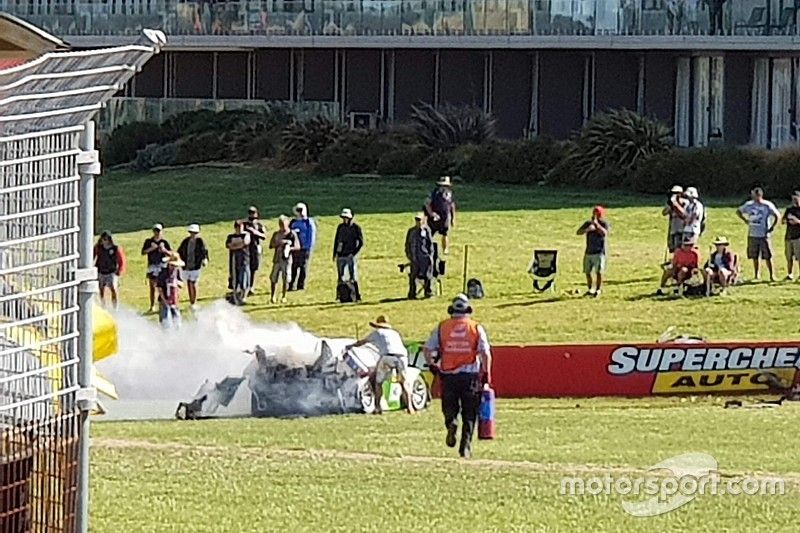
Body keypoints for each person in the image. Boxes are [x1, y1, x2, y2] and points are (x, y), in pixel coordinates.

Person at [423, 294, 492, 459]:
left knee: (449, 407)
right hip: (470, 376)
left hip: (448, 376)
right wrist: (487, 374)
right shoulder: (475, 327)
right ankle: (465, 448)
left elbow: (427, 349)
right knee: (470, 413)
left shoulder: (442, 327)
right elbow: (485, 353)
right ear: (468, 309)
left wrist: (433, 364)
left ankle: (451, 423)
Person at [346, 315, 414, 415]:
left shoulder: (377, 333)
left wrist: (351, 346)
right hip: (402, 357)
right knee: (404, 382)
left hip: (387, 357)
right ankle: (410, 407)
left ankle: (378, 408)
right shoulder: (395, 333)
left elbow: (363, 342)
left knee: (379, 383)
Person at [737, 187, 781, 281]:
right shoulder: (749, 205)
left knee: (768, 256)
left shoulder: (767, 205)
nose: (753, 197)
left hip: (764, 234)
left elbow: (777, 215)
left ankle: (772, 275)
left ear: (759, 195)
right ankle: (757, 275)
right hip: (752, 234)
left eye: (754, 195)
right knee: (754, 256)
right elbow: (739, 211)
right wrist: (745, 220)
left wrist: (772, 227)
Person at [576, 206, 610, 297]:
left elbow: (604, 233)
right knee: (587, 271)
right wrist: (587, 229)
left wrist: (596, 225)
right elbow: (578, 232)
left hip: (599, 252)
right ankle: (590, 289)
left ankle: (598, 290)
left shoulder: (604, 223)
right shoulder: (588, 223)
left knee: (599, 271)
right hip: (589, 251)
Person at [333, 208, 364, 302]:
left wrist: (354, 253)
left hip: (350, 255)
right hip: (341, 255)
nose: (345, 219)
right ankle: (340, 295)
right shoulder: (340, 227)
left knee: (353, 277)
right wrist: (335, 253)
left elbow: (361, 242)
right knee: (340, 277)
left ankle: (356, 295)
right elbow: (337, 240)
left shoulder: (356, 228)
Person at [268, 215, 300, 304]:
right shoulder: (276, 234)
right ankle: (273, 296)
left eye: (283, 224)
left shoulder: (292, 234)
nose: (281, 226)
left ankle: (284, 296)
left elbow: (297, 246)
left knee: (286, 278)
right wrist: (278, 243)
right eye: (280, 224)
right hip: (277, 259)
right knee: (274, 278)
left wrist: (289, 247)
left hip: (287, 259)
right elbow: (271, 245)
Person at [177, 224, 209, 311]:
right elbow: (180, 251)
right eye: (191, 233)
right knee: (188, 284)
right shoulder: (185, 241)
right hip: (186, 266)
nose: (193, 234)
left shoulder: (200, 242)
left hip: (196, 266)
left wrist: (204, 259)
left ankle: (194, 302)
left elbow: (204, 252)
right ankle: (191, 302)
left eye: (194, 233)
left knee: (193, 283)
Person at [141, 223, 171, 313]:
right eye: (155, 231)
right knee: (152, 287)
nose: (157, 233)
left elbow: (171, 254)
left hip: (162, 266)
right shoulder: (148, 241)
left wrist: (164, 250)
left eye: (158, 231)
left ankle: (164, 304)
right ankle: (152, 305)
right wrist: (151, 248)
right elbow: (143, 252)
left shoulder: (164, 242)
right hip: (152, 266)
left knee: (162, 287)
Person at [405, 212, 435, 299]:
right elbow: (407, 244)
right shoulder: (411, 231)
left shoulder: (426, 230)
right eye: (416, 220)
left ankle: (428, 292)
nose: (418, 221)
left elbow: (430, 244)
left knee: (427, 276)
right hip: (414, 258)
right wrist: (409, 255)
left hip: (425, 257)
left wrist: (430, 256)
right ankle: (412, 293)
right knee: (413, 277)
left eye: (419, 220)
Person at [93, 231, 126, 309]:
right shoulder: (98, 247)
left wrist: (119, 270)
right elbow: (92, 256)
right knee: (101, 289)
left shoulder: (115, 248)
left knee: (113, 289)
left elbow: (121, 260)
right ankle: (103, 305)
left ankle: (115, 307)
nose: (104, 241)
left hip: (112, 272)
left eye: (106, 239)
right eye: (103, 239)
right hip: (101, 271)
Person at [424, 176, 456, 255]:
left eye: (446, 186)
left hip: (444, 218)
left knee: (445, 233)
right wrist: (431, 214)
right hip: (434, 218)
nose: (444, 187)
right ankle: (427, 248)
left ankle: (445, 249)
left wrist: (453, 218)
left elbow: (452, 205)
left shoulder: (449, 194)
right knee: (429, 234)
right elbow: (427, 204)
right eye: (443, 185)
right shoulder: (433, 193)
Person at [289, 202, 316, 291]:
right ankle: (291, 284)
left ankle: (301, 285)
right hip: (295, 248)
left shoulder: (309, 222)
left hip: (305, 248)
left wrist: (308, 247)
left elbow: (311, 235)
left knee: (303, 266)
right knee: (294, 266)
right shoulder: (293, 222)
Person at [157, 251, 184, 329]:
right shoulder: (163, 273)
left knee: (176, 318)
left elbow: (181, 284)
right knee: (165, 320)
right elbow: (159, 288)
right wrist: (164, 300)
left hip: (174, 299)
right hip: (164, 298)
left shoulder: (178, 271)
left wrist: (176, 283)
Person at [226, 220, 251, 301]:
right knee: (234, 278)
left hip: (244, 259)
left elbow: (245, 242)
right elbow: (228, 245)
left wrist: (235, 246)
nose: (239, 229)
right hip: (234, 260)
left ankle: (244, 295)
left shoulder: (246, 235)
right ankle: (236, 295)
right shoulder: (230, 236)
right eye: (238, 227)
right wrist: (239, 245)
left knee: (244, 278)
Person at [244, 206, 267, 295]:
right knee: (246, 267)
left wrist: (254, 232)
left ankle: (251, 286)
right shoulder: (245, 224)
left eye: (253, 212)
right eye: (250, 212)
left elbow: (264, 236)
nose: (252, 214)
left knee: (254, 268)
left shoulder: (259, 224)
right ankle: (245, 285)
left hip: (256, 247)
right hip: (246, 248)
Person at [662, 185, 687, 254]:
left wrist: (676, 205)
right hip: (673, 227)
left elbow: (684, 214)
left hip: (682, 228)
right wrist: (671, 206)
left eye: (677, 193)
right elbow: (664, 213)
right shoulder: (670, 203)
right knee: (673, 246)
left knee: (679, 246)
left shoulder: (685, 202)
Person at [782, 191, 800, 281]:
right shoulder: (789, 210)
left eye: (796, 199)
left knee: (799, 257)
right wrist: (786, 220)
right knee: (789, 257)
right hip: (788, 236)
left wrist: (797, 221)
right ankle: (790, 274)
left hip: (798, 237)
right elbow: (783, 221)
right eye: (793, 199)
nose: (795, 201)